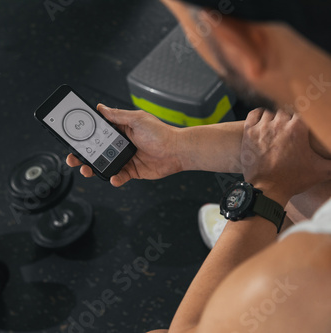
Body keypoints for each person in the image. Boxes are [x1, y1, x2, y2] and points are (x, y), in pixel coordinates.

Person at [66, 0, 331, 331]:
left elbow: (190, 328)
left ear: (239, 44)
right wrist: (177, 149)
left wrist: (264, 192)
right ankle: (262, 232)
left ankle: (257, 232)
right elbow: (297, 147)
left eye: (184, 24)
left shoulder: (313, 278)